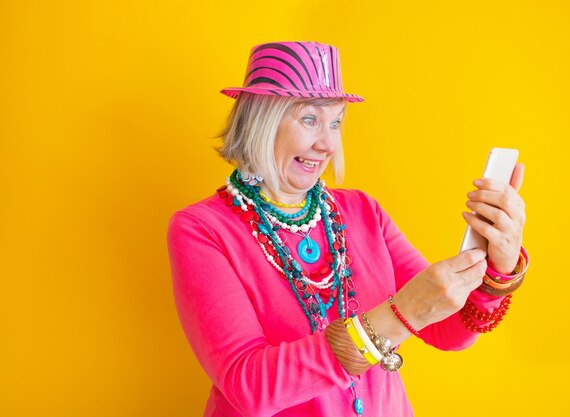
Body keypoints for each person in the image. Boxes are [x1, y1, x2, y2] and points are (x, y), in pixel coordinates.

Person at [166, 41, 529, 417]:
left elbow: (449, 329)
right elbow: (250, 388)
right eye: (309, 119)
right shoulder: (201, 229)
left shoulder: (361, 211)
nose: (327, 144)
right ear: (261, 121)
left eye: (336, 122)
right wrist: (401, 313)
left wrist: (496, 265)